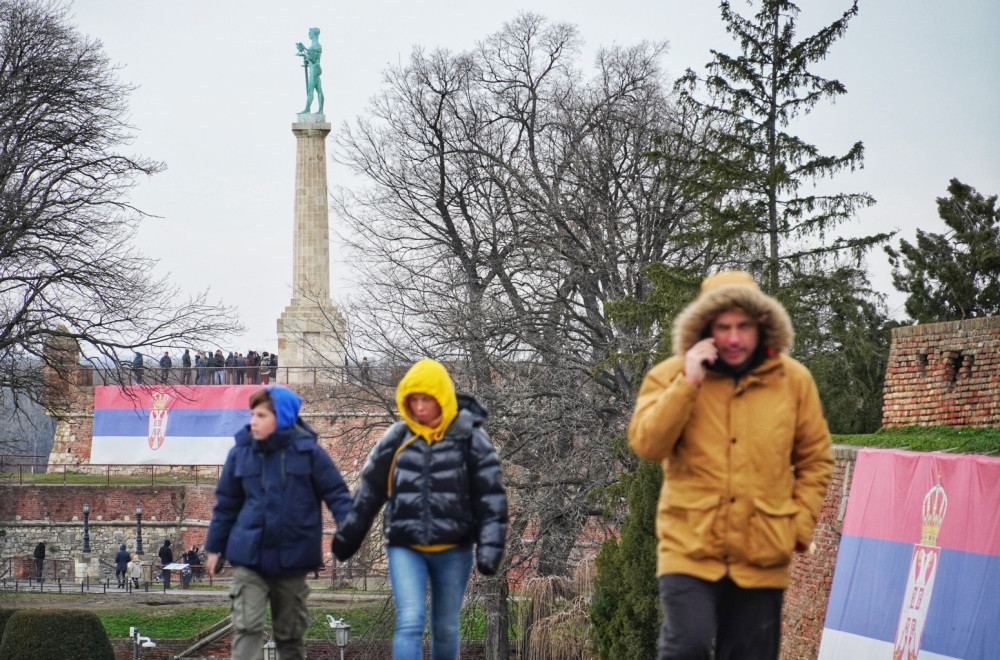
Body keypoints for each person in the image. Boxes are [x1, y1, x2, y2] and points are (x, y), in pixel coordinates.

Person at [627, 271, 834, 660]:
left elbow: (816, 460)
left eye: (744, 326)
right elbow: (648, 444)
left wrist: (797, 524)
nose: (734, 337)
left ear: (762, 326)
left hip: (763, 552)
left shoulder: (794, 381)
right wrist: (687, 384)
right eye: (723, 327)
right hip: (689, 546)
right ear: (705, 328)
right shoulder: (669, 376)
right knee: (686, 647)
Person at [332, 358, 508, 660]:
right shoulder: (397, 438)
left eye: (427, 398)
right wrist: (348, 537)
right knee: (411, 621)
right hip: (405, 545)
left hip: (454, 547)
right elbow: (369, 492)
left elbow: (491, 498)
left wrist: (490, 549)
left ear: (442, 398)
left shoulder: (471, 439)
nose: (420, 406)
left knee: (446, 627)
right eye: (414, 399)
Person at [205, 386, 353, 660]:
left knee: (290, 636)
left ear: (281, 417)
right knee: (246, 626)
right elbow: (226, 504)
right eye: (252, 414)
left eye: (261, 415)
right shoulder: (241, 453)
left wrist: (350, 527)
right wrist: (215, 547)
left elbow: (338, 494)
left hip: (293, 557)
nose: (253, 421)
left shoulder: (310, 454)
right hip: (250, 556)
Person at [296, 27, 324, 114]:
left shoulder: (315, 45)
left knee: (310, 90)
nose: (309, 33)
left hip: (314, 69)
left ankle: (307, 109)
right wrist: (304, 50)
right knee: (319, 89)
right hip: (315, 68)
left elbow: (312, 58)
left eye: (310, 32)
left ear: (314, 34)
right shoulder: (316, 45)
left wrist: (304, 53)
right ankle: (320, 110)